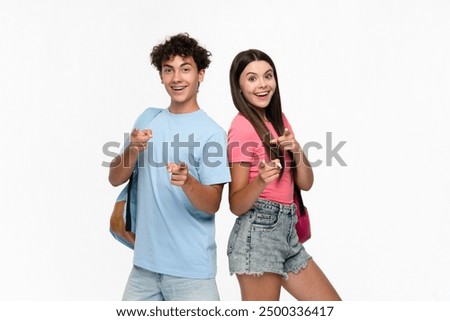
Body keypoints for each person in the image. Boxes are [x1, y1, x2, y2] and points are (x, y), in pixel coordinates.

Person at [108, 33, 231, 301]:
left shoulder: (212, 133)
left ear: (201, 75)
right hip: (143, 269)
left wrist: (188, 181)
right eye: (168, 70)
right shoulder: (148, 119)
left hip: (191, 274)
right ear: (161, 75)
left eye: (185, 69)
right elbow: (115, 177)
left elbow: (212, 204)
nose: (176, 78)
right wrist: (133, 149)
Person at [226, 49, 341, 301]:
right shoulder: (242, 127)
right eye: (252, 78)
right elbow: (236, 204)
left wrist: (296, 148)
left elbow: (306, 183)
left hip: (287, 234)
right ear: (239, 86)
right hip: (258, 235)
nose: (263, 84)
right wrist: (260, 180)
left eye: (268, 76)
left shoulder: (280, 121)